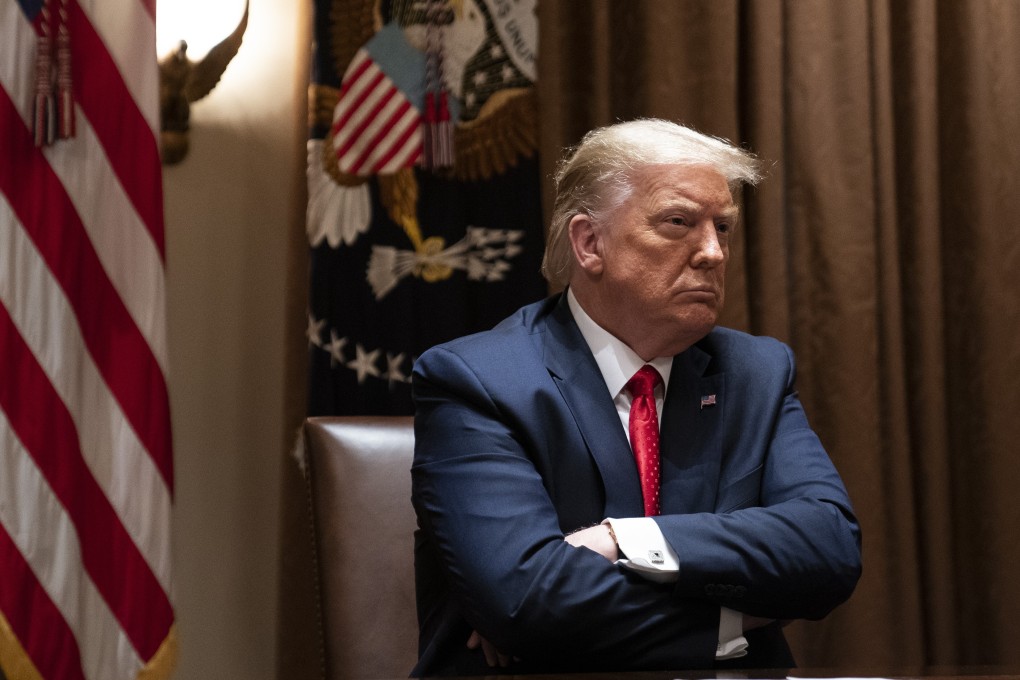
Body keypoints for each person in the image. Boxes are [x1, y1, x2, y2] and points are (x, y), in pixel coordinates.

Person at [410, 119, 861, 675]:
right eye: (678, 222)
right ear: (589, 242)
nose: (714, 252)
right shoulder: (478, 380)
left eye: (723, 227)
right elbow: (527, 605)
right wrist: (742, 615)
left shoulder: (756, 372)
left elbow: (829, 548)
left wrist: (621, 540)